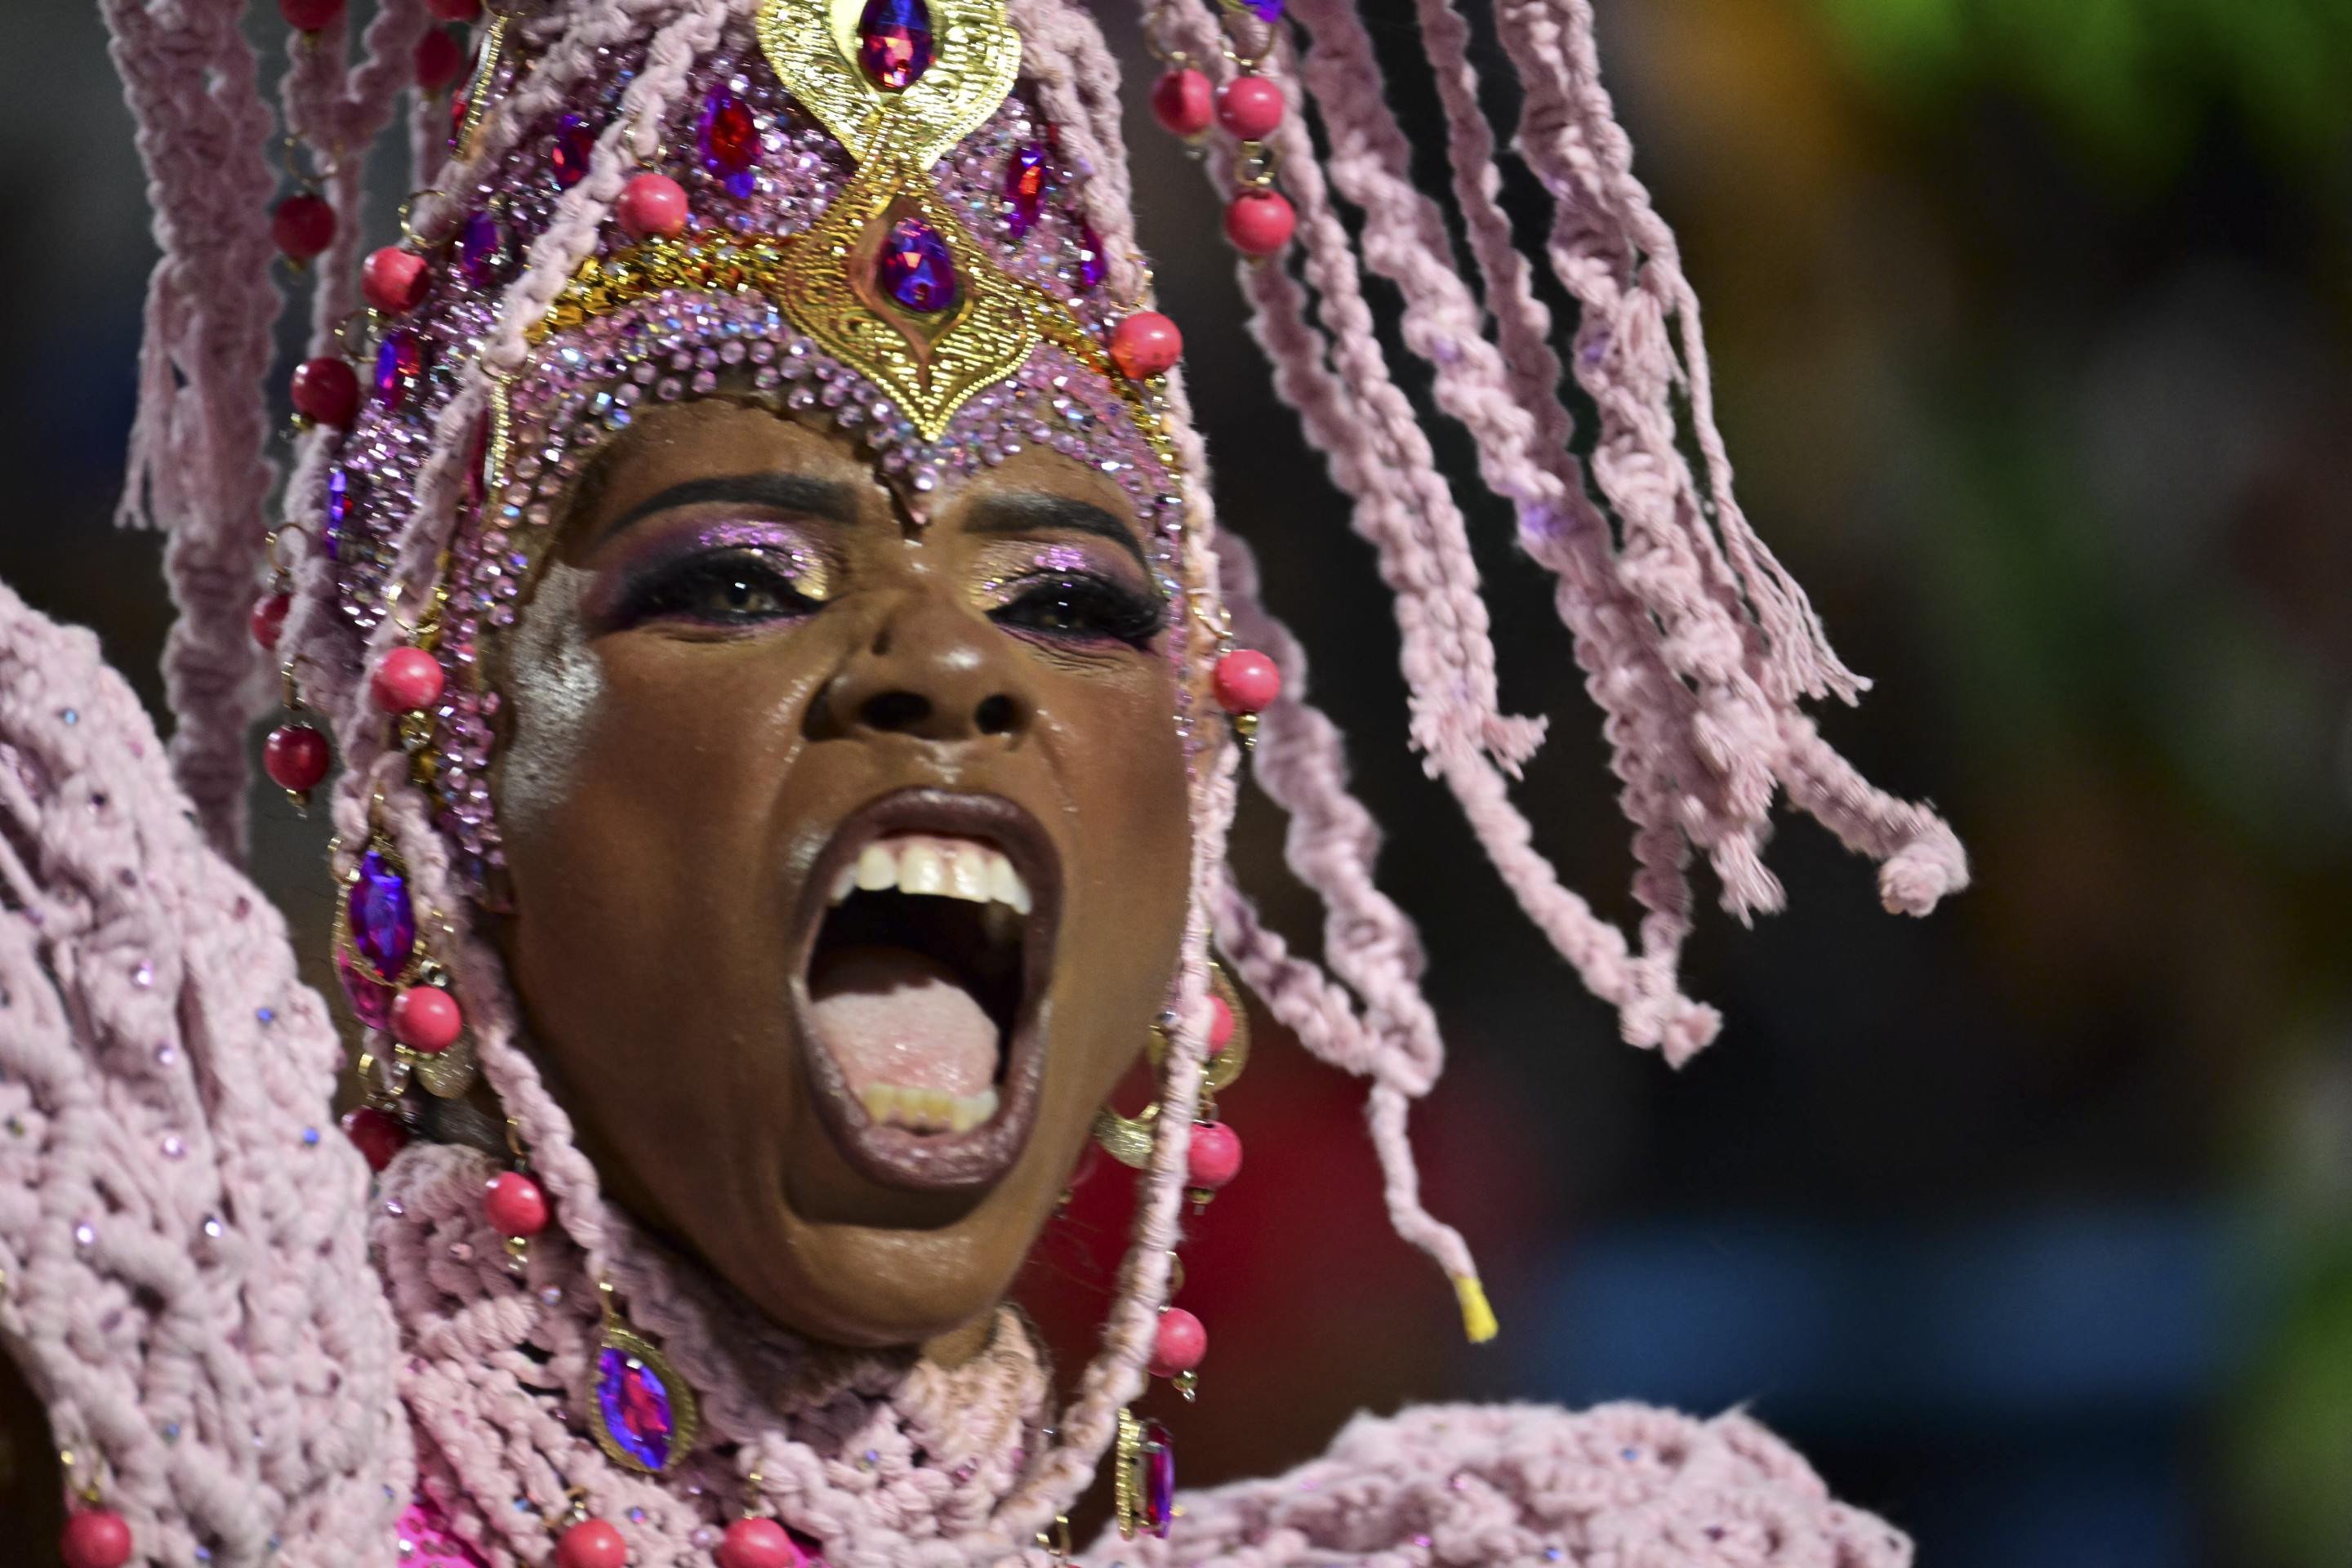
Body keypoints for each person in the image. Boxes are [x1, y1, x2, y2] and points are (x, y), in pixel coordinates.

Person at [0, 0, 1967, 1562]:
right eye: (737, 578)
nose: (948, 662)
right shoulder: (203, 1457)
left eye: (1074, 603)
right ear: (458, 785)